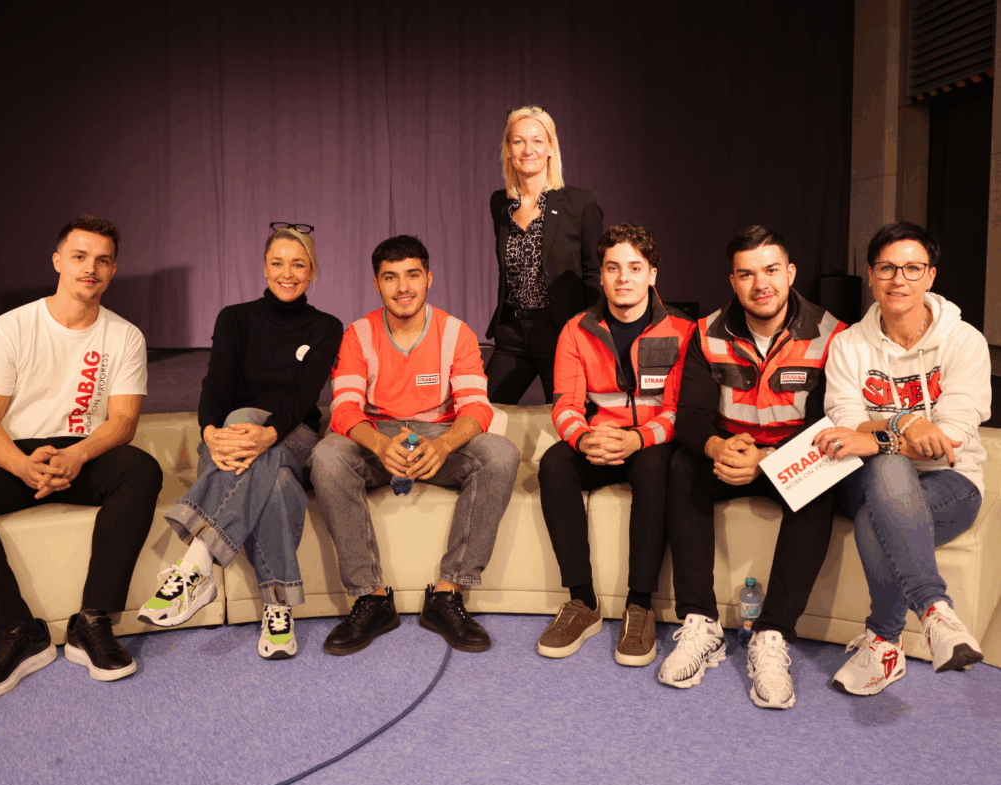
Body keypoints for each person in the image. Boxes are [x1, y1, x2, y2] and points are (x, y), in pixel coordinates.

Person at [0, 215, 163, 702]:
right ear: (58, 261)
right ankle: (18, 633)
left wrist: (78, 455)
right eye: (80, 257)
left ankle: (92, 621)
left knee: (140, 468)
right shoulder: (10, 328)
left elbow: (123, 421)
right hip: (17, 454)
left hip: (82, 451)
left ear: (113, 270)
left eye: (103, 260)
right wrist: (23, 465)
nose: (91, 268)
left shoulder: (124, 336)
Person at [659, 225, 845, 709]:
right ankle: (700, 624)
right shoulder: (706, 333)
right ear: (733, 280)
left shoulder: (833, 334)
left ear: (790, 273)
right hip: (732, 453)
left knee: (823, 480)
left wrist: (766, 462)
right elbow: (692, 418)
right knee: (681, 466)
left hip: (790, 460)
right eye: (746, 274)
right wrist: (719, 448)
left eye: (770, 270)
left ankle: (772, 635)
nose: (760, 283)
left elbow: (829, 424)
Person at [138, 223, 342, 659]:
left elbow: (302, 397)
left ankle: (196, 565)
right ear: (264, 268)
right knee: (280, 485)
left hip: (294, 436)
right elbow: (216, 383)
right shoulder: (235, 317)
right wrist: (210, 432)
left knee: (251, 420)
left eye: (298, 264)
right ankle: (278, 608)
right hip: (229, 441)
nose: (287, 273)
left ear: (313, 272)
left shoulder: (327, 326)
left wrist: (268, 432)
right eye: (277, 263)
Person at [310, 235, 520, 655]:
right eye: (391, 277)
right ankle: (371, 598)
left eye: (412, 275)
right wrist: (378, 444)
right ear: (377, 284)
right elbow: (344, 408)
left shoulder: (456, 332)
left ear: (428, 279)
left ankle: (447, 595)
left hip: (437, 442)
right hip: (378, 440)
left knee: (501, 453)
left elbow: (477, 408)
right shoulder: (358, 334)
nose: (402, 287)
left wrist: (442, 446)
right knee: (326, 456)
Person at [813, 222, 989, 695]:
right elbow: (849, 425)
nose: (899, 280)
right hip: (869, 477)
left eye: (912, 268)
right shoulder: (850, 345)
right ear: (870, 276)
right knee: (889, 471)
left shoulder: (964, 342)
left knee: (878, 517)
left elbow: (948, 439)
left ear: (930, 276)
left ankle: (885, 643)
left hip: (951, 483)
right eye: (887, 268)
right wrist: (906, 426)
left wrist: (877, 436)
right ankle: (935, 612)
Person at [537, 223, 694, 665]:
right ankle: (582, 602)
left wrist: (637, 438)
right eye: (612, 268)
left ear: (652, 275)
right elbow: (564, 404)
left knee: (654, 467)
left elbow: (681, 411)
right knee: (553, 464)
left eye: (634, 267)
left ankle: (639, 605)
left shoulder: (684, 330)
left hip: (651, 443)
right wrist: (585, 437)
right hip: (600, 440)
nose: (623, 277)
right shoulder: (575, 330)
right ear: (601, 277)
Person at [484, 105, 604, 404]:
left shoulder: (579, 203)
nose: (528, 149)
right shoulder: (500, 202)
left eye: (537, 140)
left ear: (551, 148)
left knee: (568, 419)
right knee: (480, 415)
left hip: (561, 333)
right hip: (513, 333)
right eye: (518, 141)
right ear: (508, 150)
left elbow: (595, 273)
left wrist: (588, 333)